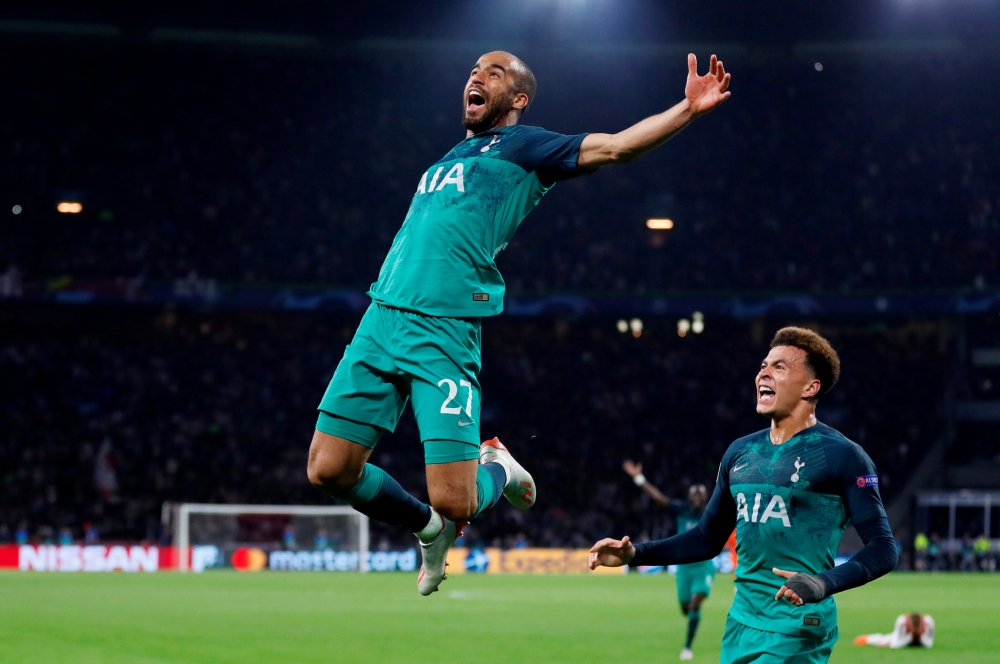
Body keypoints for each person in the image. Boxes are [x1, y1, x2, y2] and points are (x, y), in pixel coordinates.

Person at [306, 50, 733, 596]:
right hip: (380, 318)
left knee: (456, 499)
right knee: (327, 469)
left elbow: (618, 146)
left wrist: (687, 110)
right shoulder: (446, 157)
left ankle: (500, 470)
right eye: (472, 71)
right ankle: (428, 531)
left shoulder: (528, 146)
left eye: (494, 72)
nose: (476, 77)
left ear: (519, 99)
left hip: (444, 330)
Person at [589, 327, 898, 663]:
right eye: (764, 365)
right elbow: (707, 538)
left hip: (797, 624)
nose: (764, 372)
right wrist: (635, 554)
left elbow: (884, 549)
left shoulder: (842, 456)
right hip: (741, 623)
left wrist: (823, 583)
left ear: (811, 387)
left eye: (780, 367)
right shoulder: (740, 452)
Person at [623, 461, 715, 661]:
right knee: (685, 608)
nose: (698, 499)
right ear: (690, 497)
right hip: (684, 569)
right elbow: (659, 498)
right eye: (695, 495)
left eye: (701, 495)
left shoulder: (712, 513)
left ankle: (687, 647)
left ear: (706, 498)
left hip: (704, 567)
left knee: (695, 602)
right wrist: (638, 478)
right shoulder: (682, 510)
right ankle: (692, 618)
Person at [854, 613, 935, 649]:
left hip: (910, 637)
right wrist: (911, 638)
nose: (916, 630)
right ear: (910, 625)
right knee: (885, 641)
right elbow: (896, 643)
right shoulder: (902, 621)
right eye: (914, 627)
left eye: (918, 627)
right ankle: (866, 639)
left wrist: (919, 638)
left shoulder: (929, 621)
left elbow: (929, 644)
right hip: (902, 636)